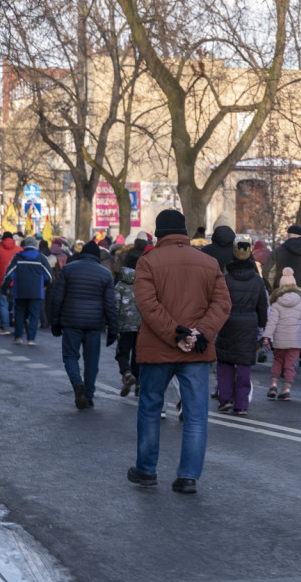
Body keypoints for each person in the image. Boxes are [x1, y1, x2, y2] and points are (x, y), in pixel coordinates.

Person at [129, 209, 231, 494]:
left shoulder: (147, 262)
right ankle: (188, 476)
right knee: (196, 415)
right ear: (185, 233)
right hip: (197, 350)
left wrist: (176, 335)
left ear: (159, 233)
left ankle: (146, 470)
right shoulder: (209, 263)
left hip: (158, 348)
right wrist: (200, 334)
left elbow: (148, 306)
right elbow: (222, 304)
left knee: (150, 409)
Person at [50, 241, 118, 409]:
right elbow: (110, 304)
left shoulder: (68, 269)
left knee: (70, 356)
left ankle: (77, 383)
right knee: (92, 361)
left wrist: (55, 322)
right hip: (94, 324)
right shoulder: (105, 274)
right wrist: (113, 330)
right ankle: (88, 395)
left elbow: (56, 298)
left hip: (71, 321)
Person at [217, 235, 269, 414]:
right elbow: (262, 306)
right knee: (244, 365)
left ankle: (225, 399)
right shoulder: (257, 280)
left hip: (227, 323)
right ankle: (241, 404)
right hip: (249, 325)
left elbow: (218, 302)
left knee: (225, 363)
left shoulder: (225, 278)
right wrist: (262, 325)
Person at [264, 224, 301, 379]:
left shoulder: (278, 252)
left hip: (280, 295)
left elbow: (268, 272)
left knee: (280, 329)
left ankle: (281, 364)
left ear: (288, 235)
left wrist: (272, 291)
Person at [262, 267, 301, 402]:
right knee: (290, 365)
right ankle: (286, 389)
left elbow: (272, 322)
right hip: (295, 341)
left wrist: (266, 336)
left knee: (277, 361)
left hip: (280, 340)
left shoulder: (276, 303)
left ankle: (273, 385)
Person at [2, 236, 54, 345]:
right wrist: (45, 285)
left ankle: (18, 337)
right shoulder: (41, 258)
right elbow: (49, 276)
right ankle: (31, 339)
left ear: (25, 246)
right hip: (36, 292)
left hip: (20, 291)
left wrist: (4, 288)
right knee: (34, 315)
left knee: (19, 314)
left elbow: (8, 275)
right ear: (35, 245)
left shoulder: (18, 257)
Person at [115, 254, 143, 396]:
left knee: (122, 352)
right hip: (140, 326)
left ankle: (127, 374)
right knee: (138, 355)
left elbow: (115, 306)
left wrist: (113, 325)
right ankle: (138, 383)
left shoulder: (120, 285)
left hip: (124, 326)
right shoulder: (143, 284)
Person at [0, 232, 21, 335]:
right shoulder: (19, 250)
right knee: (17, 304)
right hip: (17, 281)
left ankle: (5, 328)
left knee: (3, 304)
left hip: (2, 282)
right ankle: (17, 324)